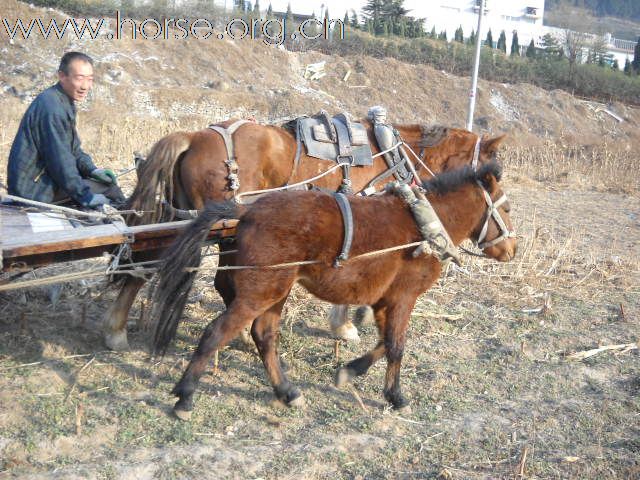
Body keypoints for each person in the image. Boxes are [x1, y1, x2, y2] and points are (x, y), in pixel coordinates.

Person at [7, 51, 125, 209]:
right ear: (62, 76)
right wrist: (85, 196)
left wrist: (93, 170)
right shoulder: (52, 109)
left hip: (43, 181)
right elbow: (61, 161)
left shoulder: (62, 101)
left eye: (90, 79)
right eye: (79, 78)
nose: (85, 86)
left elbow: (74, 150)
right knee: (110, 190)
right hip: (33, 191)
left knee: (99, 184)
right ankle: (123, 229)